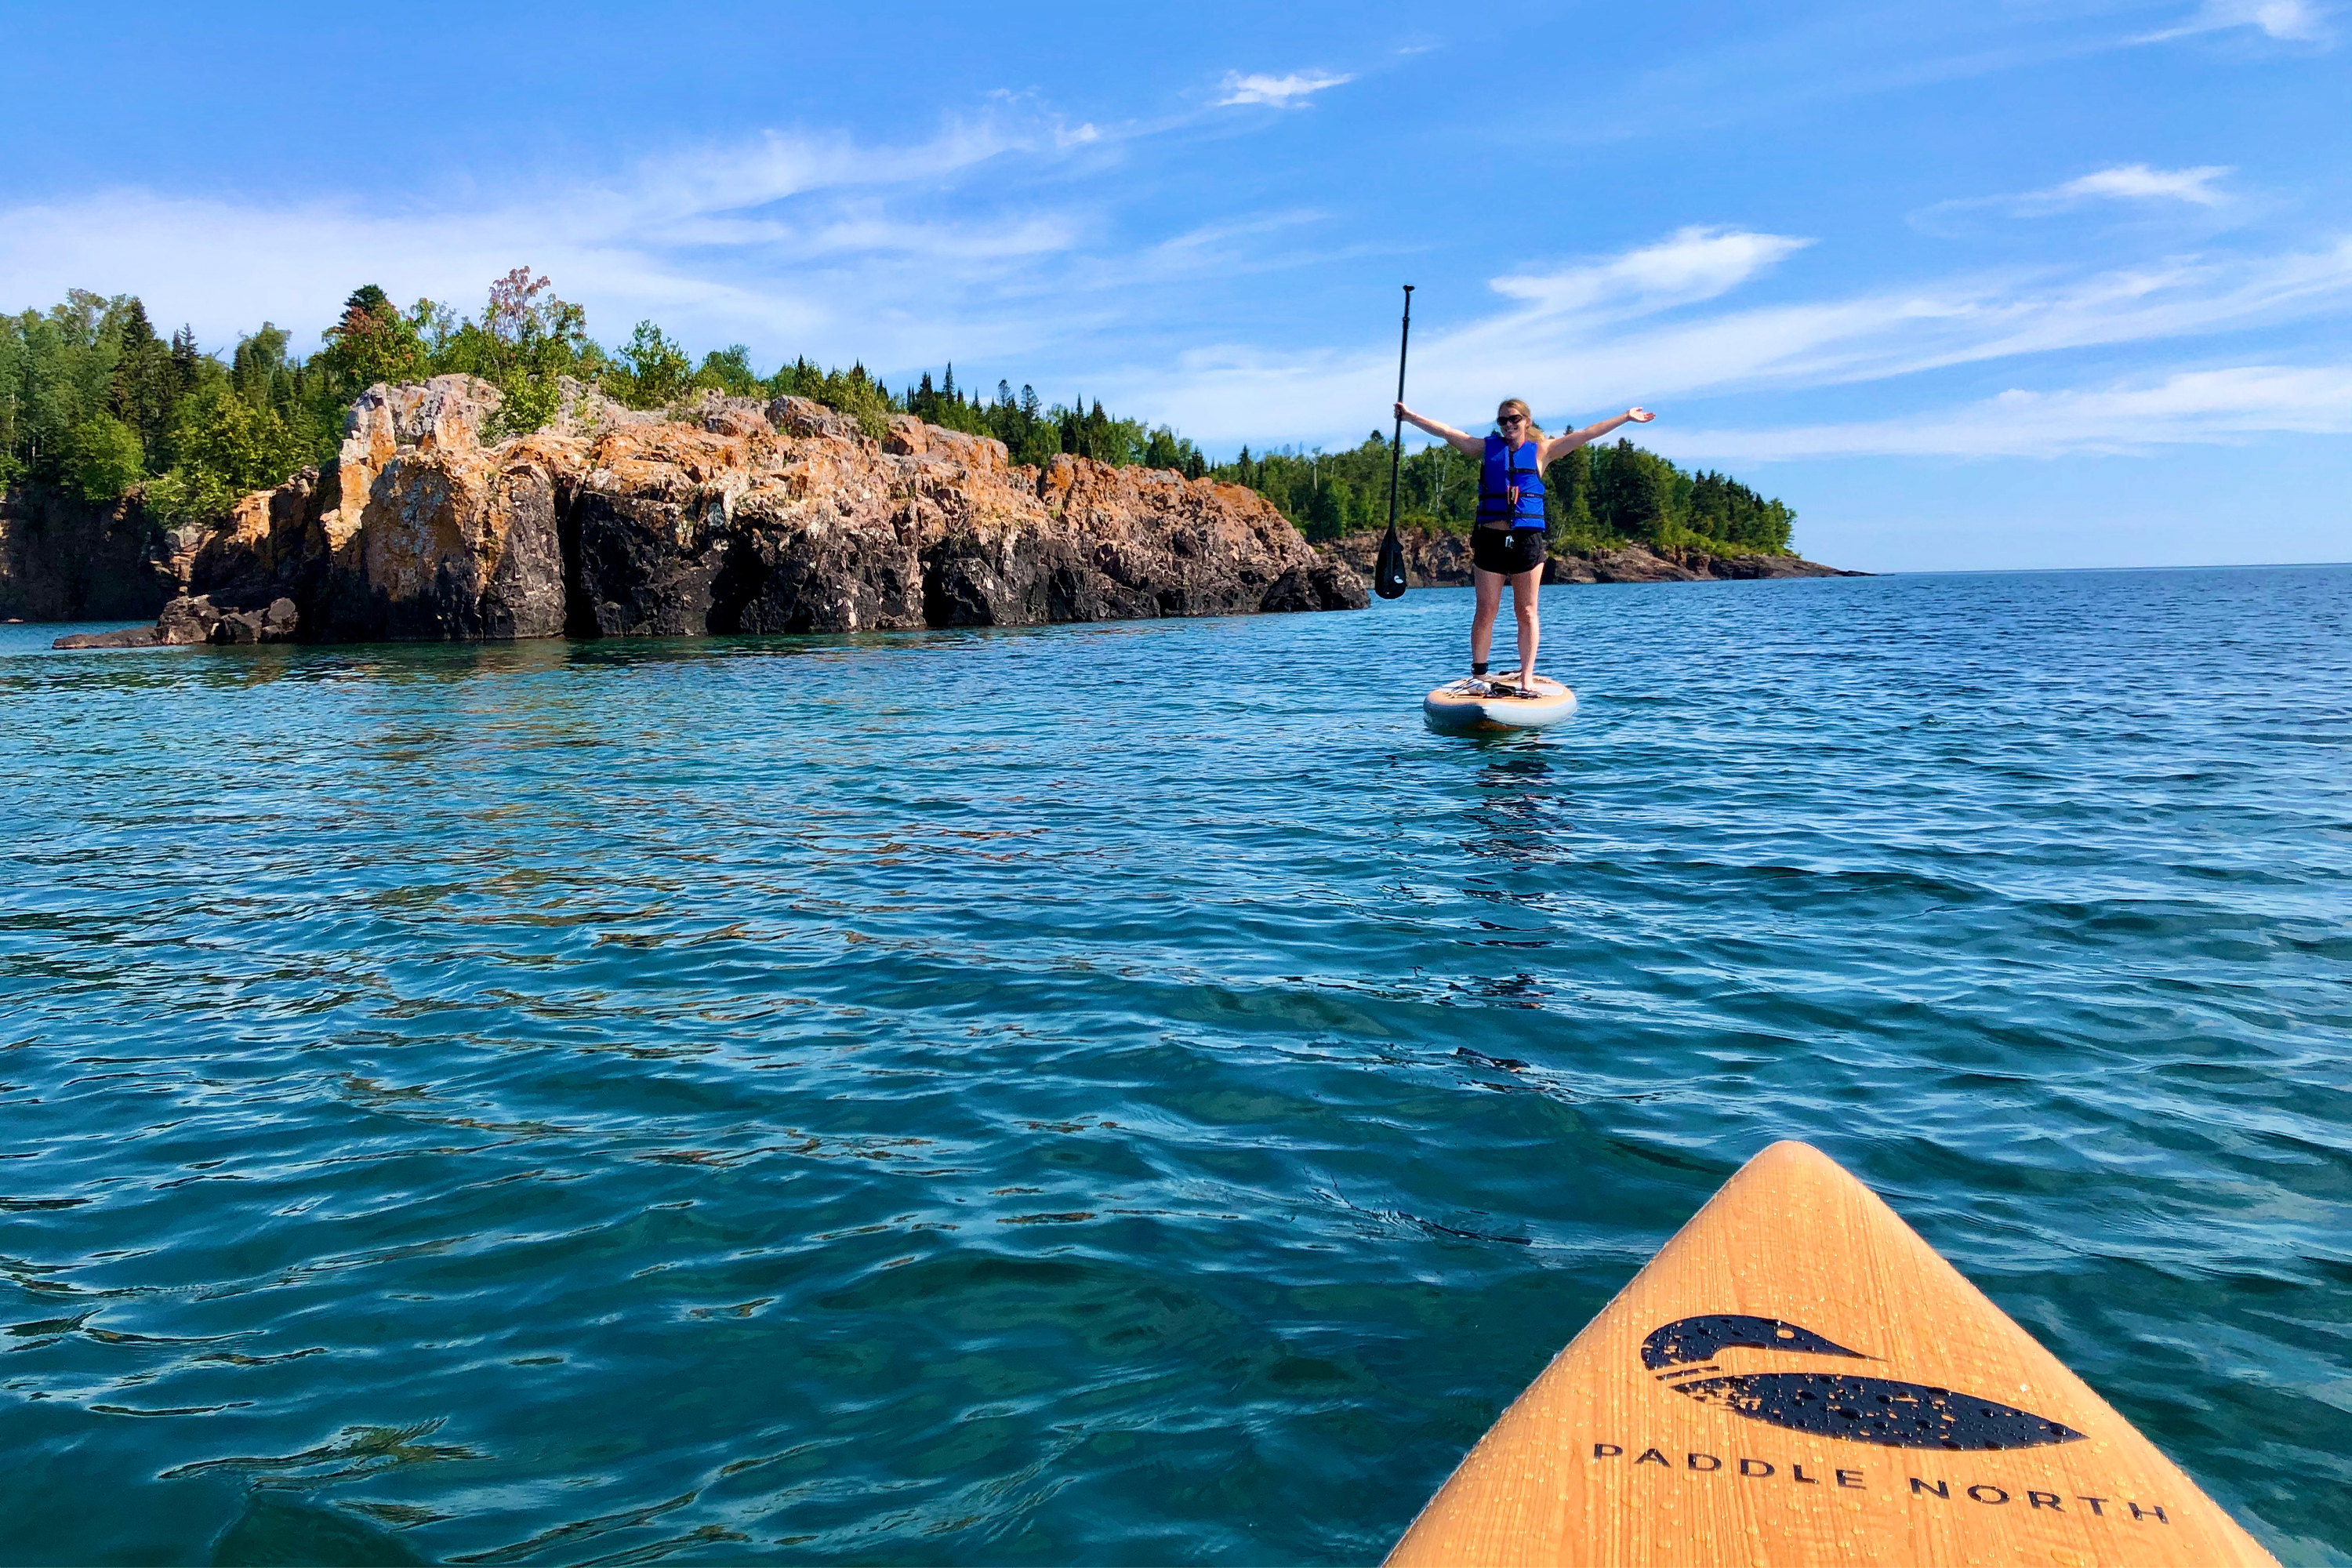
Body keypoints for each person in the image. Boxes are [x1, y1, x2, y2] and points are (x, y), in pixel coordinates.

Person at [1393, 397, 1655, 693]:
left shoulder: (1542, 451)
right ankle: (1479, 676)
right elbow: (1448, 433)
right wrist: (1410, 417)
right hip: (1491, 539)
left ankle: (1527, 677)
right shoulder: (1485, 449)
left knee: (1527, 611)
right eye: (1502, 420)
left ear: (1526, 422)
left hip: (1526, 541)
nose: (1508, 425)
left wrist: (1625, 417)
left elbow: (1587, 433)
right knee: (1486, 608)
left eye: (1514, 419)